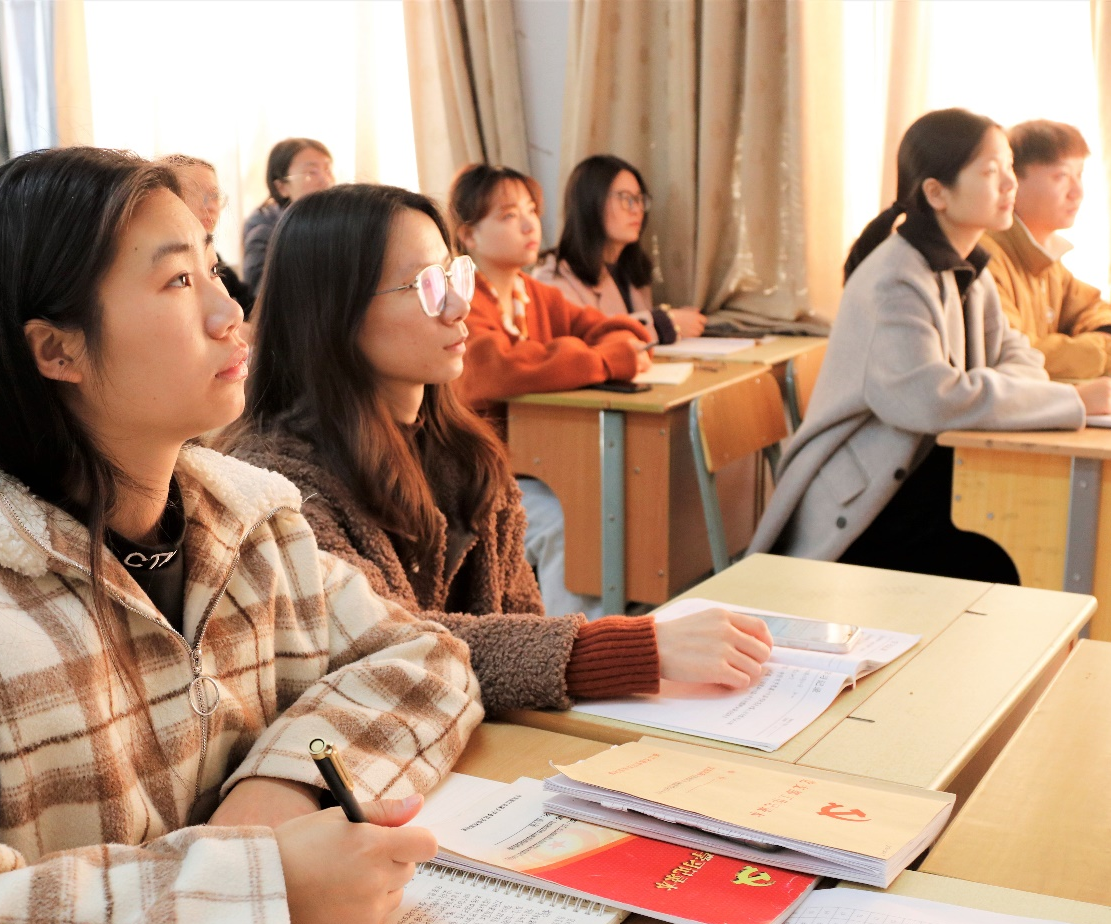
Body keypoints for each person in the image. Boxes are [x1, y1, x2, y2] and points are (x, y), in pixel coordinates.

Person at [0, 148, 481, 924]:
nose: (229, 312)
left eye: (212, 269)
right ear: (57, 350)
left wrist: (278, 788)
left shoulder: (250, 527)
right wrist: (257, 885)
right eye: (177, 281)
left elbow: (426, 660)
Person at [224, 183, 774, 717]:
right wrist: (632, 649)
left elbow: (520, 621)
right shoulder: (278, 486)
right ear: (332, 311)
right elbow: (387, 647)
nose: (459, 305)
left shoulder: (465, 456)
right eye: (425, 285)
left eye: (453, 275)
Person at [749, 109, 1111, 580]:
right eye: (991, 171)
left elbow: (1022, 357)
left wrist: (985, 390)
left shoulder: (967, 266)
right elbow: (932, 401)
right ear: (937, 193)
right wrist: (1071, 401)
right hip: (868, 506)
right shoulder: (895, 279)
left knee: (1044, 538)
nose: (1009, 184)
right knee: (1022, 564)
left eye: (1010, 167)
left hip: (923, 477)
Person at [448, 162, 654, 618]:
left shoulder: (533, 293)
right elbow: (496, 367)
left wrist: (607, 349)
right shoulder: (462, 299)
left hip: (534, 465)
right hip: (474, 476)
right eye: (508, 215)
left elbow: (615, 329)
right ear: (468, 235)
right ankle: (575, 646)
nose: (529, 225)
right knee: (572, 524)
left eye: (531, 211)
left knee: (626, 499)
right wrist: (603, 360)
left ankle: (618, 627)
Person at [981, 120, 1111, 379]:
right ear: (1013, 180)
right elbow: (1019, 354)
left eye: (1080, 174)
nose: (1077, 192)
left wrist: (1109, 334)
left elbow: (1091, 307)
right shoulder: (986, 257)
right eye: (1061, 176)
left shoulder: (1047, 259)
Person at [534, 154, 706, 344]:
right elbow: (580, 339)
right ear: (591, 202)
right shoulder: (554, 275)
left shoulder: (632, 270)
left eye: (639, 199)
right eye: (626, 198)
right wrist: (663, 323)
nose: (636, 209)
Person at [158, 153, 254, 317]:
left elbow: (252, 305)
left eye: (215, 196)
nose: (210, 207)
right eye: (193, 193)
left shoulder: (213, 260)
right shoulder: (163, 265)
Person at [240, 137, 333, 287]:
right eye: (311, 172)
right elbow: (261, 291)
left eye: (327, 170)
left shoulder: (334, 222)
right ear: (281, 187)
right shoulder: (264, 230)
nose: (326, 180)